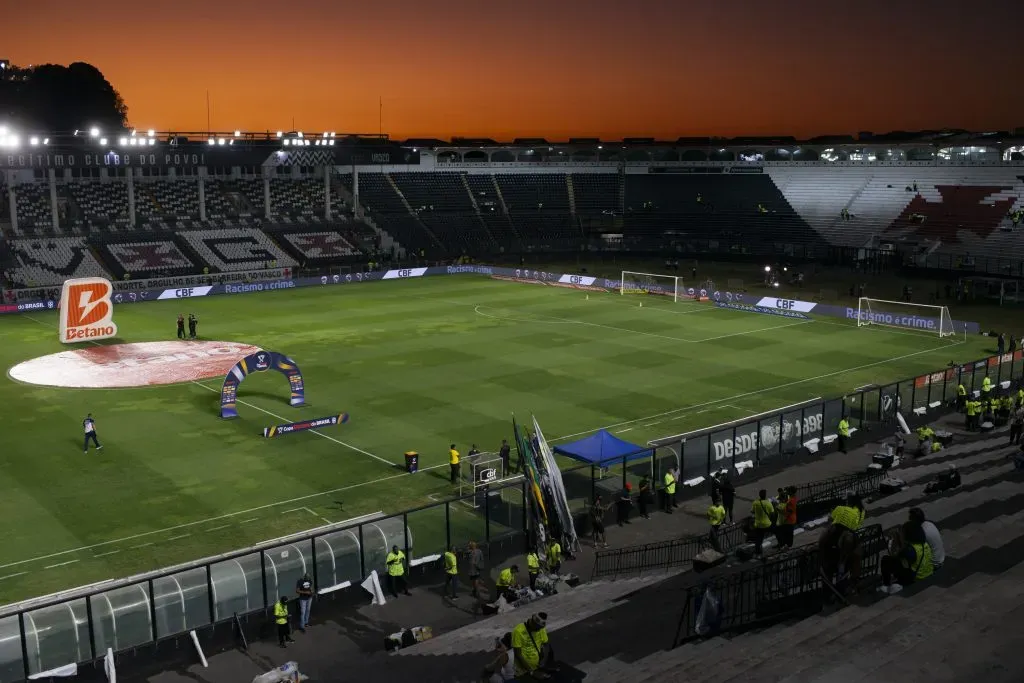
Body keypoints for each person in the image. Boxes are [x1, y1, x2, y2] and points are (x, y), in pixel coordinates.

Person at [879, 521, 933, 595]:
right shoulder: (924, 544)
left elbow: (893, 555)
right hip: (927, 572)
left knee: (886, 560)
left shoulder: (910, 550)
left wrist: (895, 539)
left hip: (915, 577)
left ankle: (886, 584)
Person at [511, 613, 551, 680]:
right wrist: (531, 671)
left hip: (537, 667)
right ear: (533, 623)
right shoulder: (518, 631)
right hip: (522, 671)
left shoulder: (541, 629)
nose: (539, 630)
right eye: (538, 628)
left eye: (541, 628)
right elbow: (518, 654)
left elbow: (545, 644)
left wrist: (543, 660)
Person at [751, 489, 774, 558]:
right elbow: (772, 513)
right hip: (767, 524)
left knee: (758, 539)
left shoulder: (755, 503)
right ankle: (781, 544)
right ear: (765, 495)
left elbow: (752, 512)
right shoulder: (768, 503)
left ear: (759, 495)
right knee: (777, 531)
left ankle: (758, 553)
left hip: (758, 524)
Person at [775, 487, 797, 551]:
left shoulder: (791, 501)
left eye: (787, 491)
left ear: (790, 492)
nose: (786, 492)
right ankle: (786, 546)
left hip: (788, 520)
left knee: (787, 535)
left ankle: (787, 547)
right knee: (786, 534)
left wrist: (779, 510)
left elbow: (788, 512)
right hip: (789, 520)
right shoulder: (792, 498)